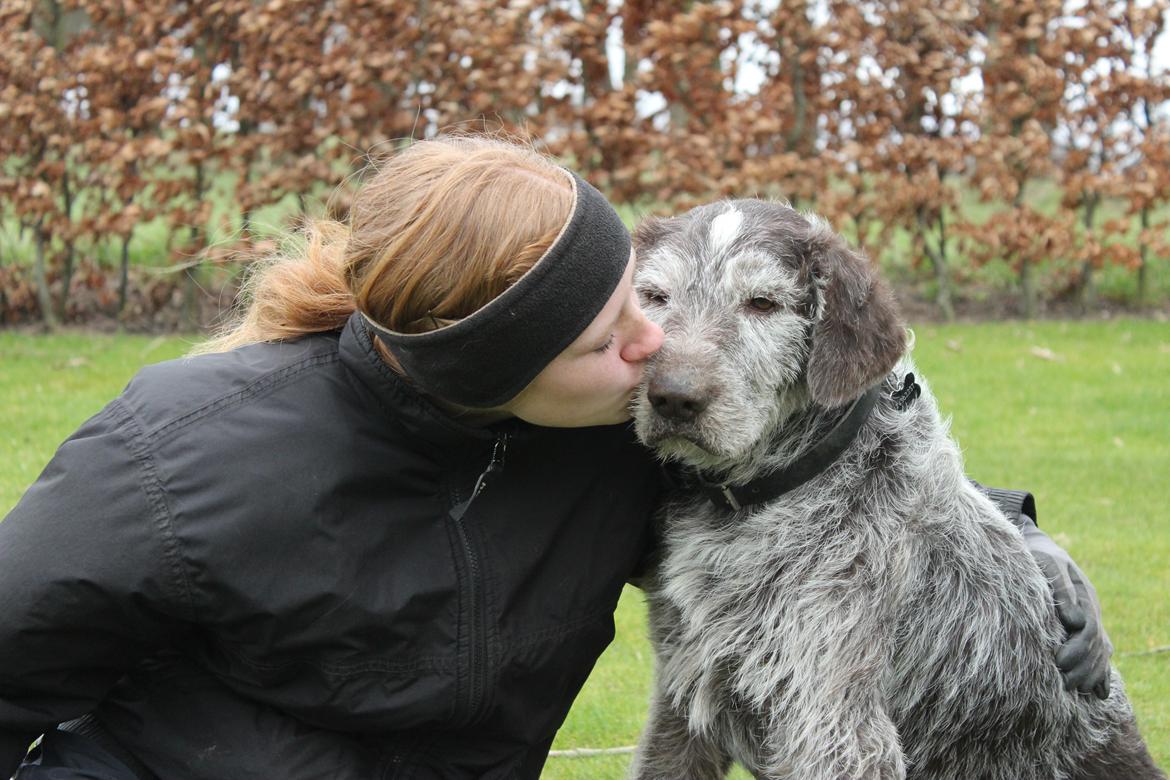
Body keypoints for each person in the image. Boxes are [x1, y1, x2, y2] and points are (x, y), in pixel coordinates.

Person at [0, 134, 1111, 780]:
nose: (661, 357)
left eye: (641, 302)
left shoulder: (630, 439)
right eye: (619, 333)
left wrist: (1023, 546)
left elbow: (838, 483)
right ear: (496, 371)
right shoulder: (180, 452)